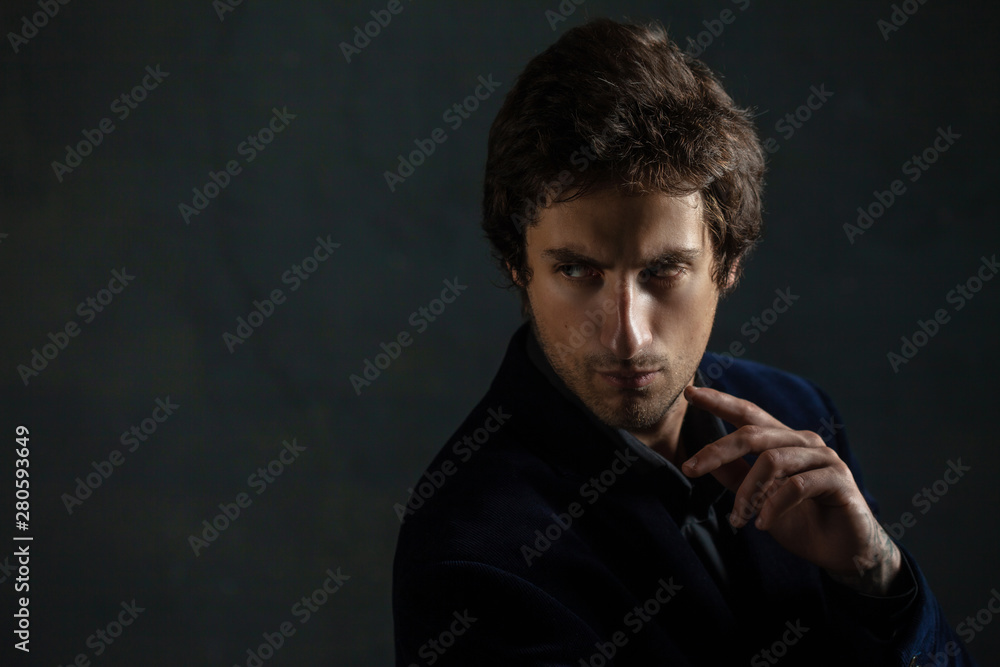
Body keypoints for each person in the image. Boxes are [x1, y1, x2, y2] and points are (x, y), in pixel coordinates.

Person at [393, 17, 977, 666]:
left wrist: (878, 577)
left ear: (728, 263)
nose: (627, 333)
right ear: (516, 264)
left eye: (662, 270)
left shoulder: (800, 413)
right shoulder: (471, 549)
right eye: (577, 271)